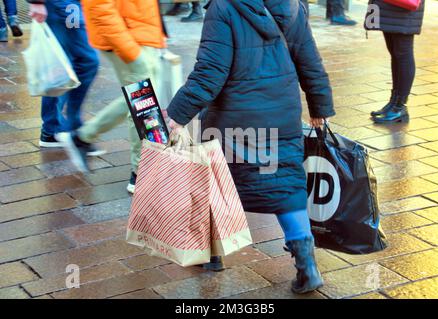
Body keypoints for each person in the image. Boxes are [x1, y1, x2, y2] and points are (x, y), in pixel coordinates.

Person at [167, 0, 335, 293]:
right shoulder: (292, 5)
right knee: (286, 185)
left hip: (234, 121)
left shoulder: (223, 8)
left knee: (218, 183)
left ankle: (210, 253)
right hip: (280, 117)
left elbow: (209, 72)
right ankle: (306, 262)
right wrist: (320, 105)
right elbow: (309, 59)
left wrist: (178, 115)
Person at [57, 0, 166, 194]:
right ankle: (142, 172)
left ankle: (82, 136)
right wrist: (130, 50)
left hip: (141, 33)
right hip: (128, 36)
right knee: (143, 101)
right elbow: (99, 6)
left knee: (143, 99)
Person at [27, 0, 102, 156]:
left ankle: (56, 128)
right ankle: (64, 127)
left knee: (71, 62)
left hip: (73, 4)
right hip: (62, 4)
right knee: (80, 61)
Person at [365, 0, 425, 123]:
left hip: (402, 9)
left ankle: (399, 106)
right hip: (386, 6)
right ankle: (393, 102)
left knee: (403, 54)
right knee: (395, 53)